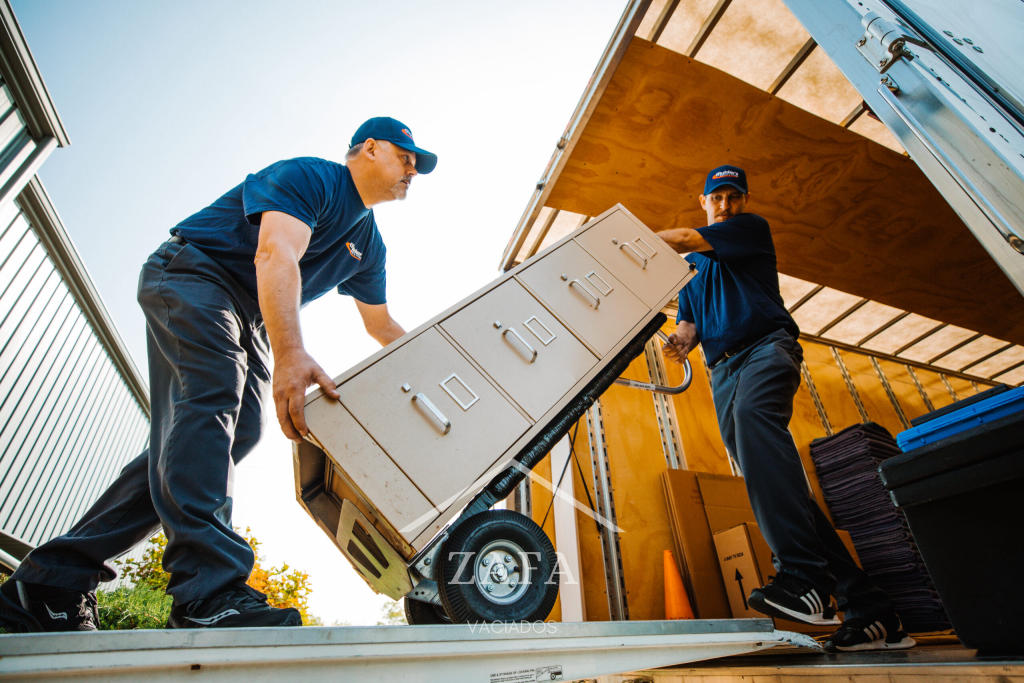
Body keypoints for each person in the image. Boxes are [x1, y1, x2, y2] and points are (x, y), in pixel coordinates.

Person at [0, 116, 437, 632]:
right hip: (193, 274)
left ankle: (51, 580)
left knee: (224, 433)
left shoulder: (369, 245)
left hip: (242, 313)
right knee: (211, 404)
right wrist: (291, 353)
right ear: (367, 148)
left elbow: (380, 324)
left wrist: (438, 365)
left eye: (417, 165)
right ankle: (207, 592)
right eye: (404, 157)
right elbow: (275, 254)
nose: (412, 170)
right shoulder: (313, 178)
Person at [658, 165, 915, 652]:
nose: (726, 205)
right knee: (771, 477)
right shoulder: (692, 280)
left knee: (758, 427)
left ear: (743, 201)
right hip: (723, 374)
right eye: (718, 197)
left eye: (734, 197)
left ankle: (802, 578)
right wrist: (677, 342)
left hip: (765, 350)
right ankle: (872, 611)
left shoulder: (747, 233)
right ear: (704, 198)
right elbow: (688, 332)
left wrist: (626, 244)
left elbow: (686, 237)